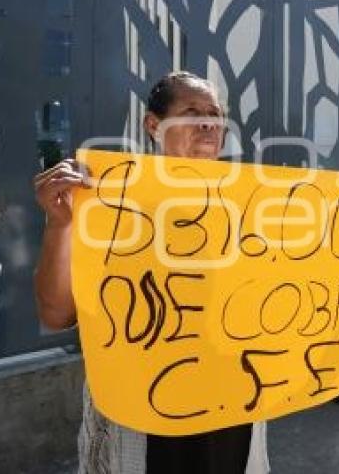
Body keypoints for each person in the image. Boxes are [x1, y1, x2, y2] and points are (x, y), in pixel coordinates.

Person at [33, 72, 269, 474]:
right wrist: (59, 226)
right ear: (153, 124)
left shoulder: (254, 206)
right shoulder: (107, 201)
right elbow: (56, 315)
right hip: (142, 417)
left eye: (215, 114)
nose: (208, 124)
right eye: (192, 112)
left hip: (230, 409)